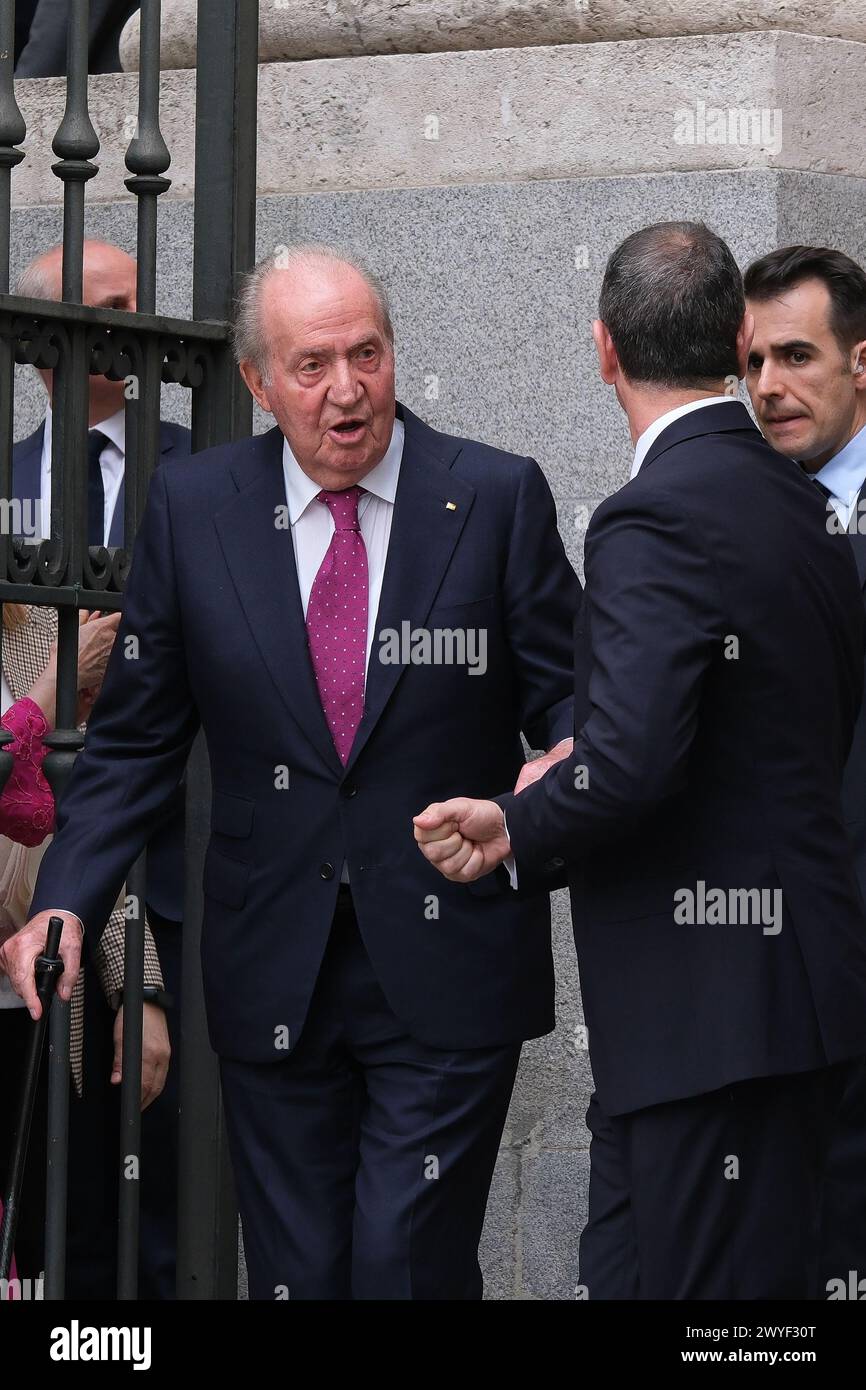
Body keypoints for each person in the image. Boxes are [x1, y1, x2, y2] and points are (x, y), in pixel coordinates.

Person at [6, 243, 580, 1300]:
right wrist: (68, 901)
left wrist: (539, 790)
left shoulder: (494, 497)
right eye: (311, 365)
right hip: (274, 961)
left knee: (400, 1261)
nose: (347, 389)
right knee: (298, 1271)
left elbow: (572, 709)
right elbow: (133, 739)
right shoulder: (196, 506)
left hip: (450, 958)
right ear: (261, 384)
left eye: (366, 353)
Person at [415, 220, 866, 1299]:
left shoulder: (654, 513)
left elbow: (628, 761)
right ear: (730, 339)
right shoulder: (792, 497)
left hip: (713, 1019)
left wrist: (514, 823)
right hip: (742, 1012)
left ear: (603, 346)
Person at [7, 239, 189, 1298]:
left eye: (133, 307)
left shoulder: (202, 473)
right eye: (96, 311)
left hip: (166, 879)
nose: (120, 330)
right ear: (39, 339)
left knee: (157, 1212)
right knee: (46, 1221)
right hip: (23, 891)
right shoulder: (7, 487)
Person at [744, 243, 866, 1298]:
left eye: (794, 355)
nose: (768, 387)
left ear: (860, 362)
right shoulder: (728, 516)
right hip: (761, 969)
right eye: (748, 362)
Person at [0, 601, 167, 1283]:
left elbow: (96, 829)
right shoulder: (66, 657)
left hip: (37, 995)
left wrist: (141, 986)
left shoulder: (48, 625)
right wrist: (54, 687)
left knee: (63, 1243)